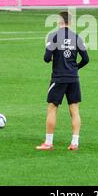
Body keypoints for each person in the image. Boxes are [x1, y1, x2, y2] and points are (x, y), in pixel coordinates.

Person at [36, 11, 89, 151]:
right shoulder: (77, 37)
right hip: (73, 78)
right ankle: (75, 143)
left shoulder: (54, 36)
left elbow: (46, 58)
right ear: (70, 23)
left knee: (53, 107)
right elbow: (86, 59)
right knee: (74, 109)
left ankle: (48, 142)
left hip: (58, 78)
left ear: (59, 21)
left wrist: (53, 55)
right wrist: (75, 68)